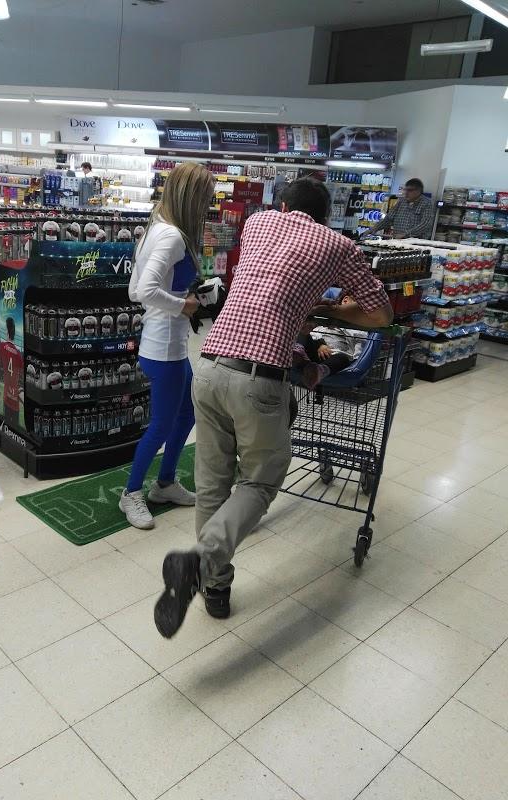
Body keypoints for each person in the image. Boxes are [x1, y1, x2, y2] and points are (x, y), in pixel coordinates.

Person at [153, 177, 393, 639]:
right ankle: (201, 561)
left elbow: (272, 282)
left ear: (282, 206)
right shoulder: (339, 244)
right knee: (260, 483)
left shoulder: (259, 222)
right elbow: (381, 313)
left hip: (211, 366)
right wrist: (334, 312)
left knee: (212, 486)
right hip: (258, 381)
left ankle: (215, 591)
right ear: (325, 217)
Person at [119, 162, 215, 530]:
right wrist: (184, 304)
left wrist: (176, 297)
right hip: (163, 348)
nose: (208, 206)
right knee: (161, 424)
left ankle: (165, 484)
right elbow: (143, 292)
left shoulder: (153, 230)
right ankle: (130, 494)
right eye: (205, 199)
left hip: (165, 344)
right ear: (192, 198)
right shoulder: (173, 236)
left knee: (186, 414)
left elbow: (133, 290)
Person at [293, 294, 366, 388]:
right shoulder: (327, 315)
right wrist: (321, 345)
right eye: (359, 307)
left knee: (343, 359)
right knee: (305, 334)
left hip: (335, 358)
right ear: (346, 300)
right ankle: (298, 356)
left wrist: (357, 366)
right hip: (315, 349)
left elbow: (360, 347)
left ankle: (318, 370)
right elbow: (313, 332)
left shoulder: (357, 329)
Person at [366, 178, 434, 240]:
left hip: (416, 244)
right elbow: (388, 219)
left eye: (410, 190)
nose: (406, 193)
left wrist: (406, 234)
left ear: (418, 191)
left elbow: (425, 224)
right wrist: (373, 229)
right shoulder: (401, 201)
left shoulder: (427, 204)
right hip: (398, 241)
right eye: (405, 190)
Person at [0, 316, 24, 430]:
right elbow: (21, 372)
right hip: (15, 399)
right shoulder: (18, 354)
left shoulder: (2, 347)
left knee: (7, 425)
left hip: (6, 396)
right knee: (16, 428)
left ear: (7, 331)